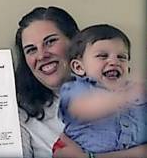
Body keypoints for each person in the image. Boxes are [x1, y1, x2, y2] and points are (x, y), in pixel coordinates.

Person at [15, 6, 147, 158]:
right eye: (31, 50)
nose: (42, 55)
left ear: (74, 42)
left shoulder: (132, 91)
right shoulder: (23, 116)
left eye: (50, 42)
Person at [58, 24, 147, 155]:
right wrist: (124, 97)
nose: (114, 61)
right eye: (103, 56)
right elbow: (83, 108)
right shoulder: (76, 88)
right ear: (78, 67)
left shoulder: (137, 92)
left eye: (121, 57)